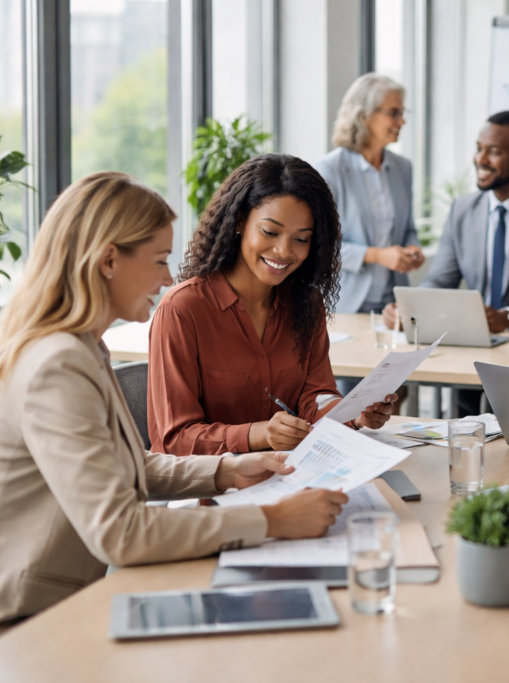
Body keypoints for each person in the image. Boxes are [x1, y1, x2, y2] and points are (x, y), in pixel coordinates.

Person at [0, 172, 350, 628]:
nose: (168, 277)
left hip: (67, 600)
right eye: (160, 260)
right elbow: (121, 532)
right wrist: (272, 520)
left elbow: (123, 464)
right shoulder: (57, 364)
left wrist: (228, 470)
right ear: (108, 260)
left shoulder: (82, 346)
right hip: (30, 619)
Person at [148, 154, 397, 456]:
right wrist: (259, 434)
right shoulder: (183, 309)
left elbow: (314, 396)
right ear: (240, 221)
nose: (283, 251)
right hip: (215, 490)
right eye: (270, 232)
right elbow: (173, 439)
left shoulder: (306, 304)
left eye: (301, 239)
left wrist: (350, 413)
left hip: (293, 474)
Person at [384, 111, 509, 416]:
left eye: (494, 152)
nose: (481, 159)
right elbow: (440, 280)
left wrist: (506, 317)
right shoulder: (463, 210)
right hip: (474, 353)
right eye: (479, 148)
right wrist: (413, 310)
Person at [314, 73, 424, 315]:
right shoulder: (329, 170)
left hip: (393, 304)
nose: (402, 121)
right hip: (347, 304)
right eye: (393, 113)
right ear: (363, 116)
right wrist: (376, 255)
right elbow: (317, 247)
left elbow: (408, 229)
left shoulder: (402, 168)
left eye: (403, 112)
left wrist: (412, 248)